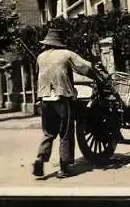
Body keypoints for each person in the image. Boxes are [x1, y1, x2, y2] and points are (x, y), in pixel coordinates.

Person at [32, 28, 104, 179]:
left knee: (48, 133)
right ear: (59, 43)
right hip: (62, 98)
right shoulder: (67, 54)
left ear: (47, 43)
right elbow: (86, 68)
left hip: (45, 99)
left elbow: (39, 74)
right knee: (65, 133)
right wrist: (98, 77)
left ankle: (40, 158)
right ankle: (64, 168)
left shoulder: (40, 57)